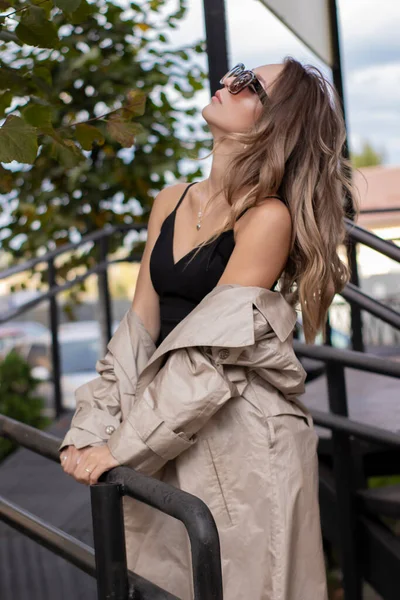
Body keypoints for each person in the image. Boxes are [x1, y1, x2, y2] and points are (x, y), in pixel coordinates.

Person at [59, 57, 357, 599]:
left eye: (248, 83)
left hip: (244, 443)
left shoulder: (267, 218)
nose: (226, 80)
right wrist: (89, 426)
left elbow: (208, 356)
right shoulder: (171, 200)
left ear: (276, 120)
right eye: (233, 71)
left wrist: (120, 448)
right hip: (174, 424)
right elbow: (137, 331)